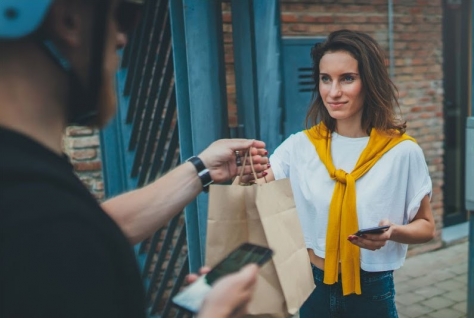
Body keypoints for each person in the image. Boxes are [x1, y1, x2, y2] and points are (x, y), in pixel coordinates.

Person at [0, 0, 268, 317]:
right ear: (68, 20)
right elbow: (72, 233)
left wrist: (202, 169)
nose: (121, 39)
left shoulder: (31, 194)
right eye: (122, 16)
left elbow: (101, 225)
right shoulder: (46, 226)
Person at [241, 29, 435, 318]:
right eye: (325, 79)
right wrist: (248, 169)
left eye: (347, 78)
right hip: (312, 286)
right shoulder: (301, 146)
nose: (333, 92)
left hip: (371, 291)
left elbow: (427, 226)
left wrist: (395, 232)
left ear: (369, 82)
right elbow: (264, 180)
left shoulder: (401, 152)